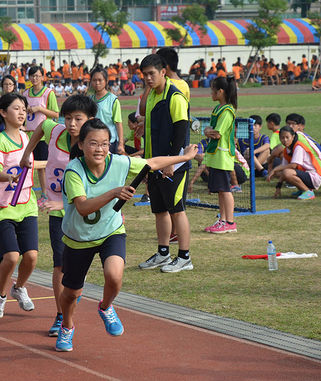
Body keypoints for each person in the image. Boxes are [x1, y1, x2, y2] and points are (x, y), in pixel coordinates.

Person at [54, 118, 198, 352]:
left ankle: (105, 307)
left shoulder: (119, 162)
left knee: (114, 276)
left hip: (111, 231)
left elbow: (152, 163)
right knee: (70, 293)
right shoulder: (73, 171)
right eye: (93, 143)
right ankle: (67, 327)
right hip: (79, 238)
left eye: (104, 144)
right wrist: (114, 192)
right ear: (80, 145)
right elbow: (82, 207)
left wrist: (185, 157)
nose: (99, 149)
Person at [19, 94, 98, 336]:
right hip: (57, 211)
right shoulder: (56, 131)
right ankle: (60, 315)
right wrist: (27, 153)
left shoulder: (93, 147)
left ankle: (74, 291)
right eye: (68, 118)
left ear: (90, 120)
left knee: (78, 266)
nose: (72, 124)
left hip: (81, 211)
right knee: (59, 263)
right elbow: (41, 126)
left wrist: (64, 206)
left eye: (78, 119)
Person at [0, 93, 39, 319]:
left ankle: (19, 288)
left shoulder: (27, 138)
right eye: (16, 108)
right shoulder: (0, 142)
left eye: (24, 108)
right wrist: (7, 177)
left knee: (32, 256)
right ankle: (0, 294)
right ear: (3, 113)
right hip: (3, 208)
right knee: (12, 257)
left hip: (27, 205)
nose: (22, 112)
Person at [137, 54, 193, 272]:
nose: (148, 78)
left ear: (163, 71)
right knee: (159, 210)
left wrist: (171, 162)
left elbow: (181, 131)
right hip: (154, 163)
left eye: (152, 73)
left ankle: (184, 257)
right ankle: (163, 253)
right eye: (145, 75)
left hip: (173, 165)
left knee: (177, 210)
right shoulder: (151, 96)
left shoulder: (175, 96)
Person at [203, 76, 238, 233]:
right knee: (220, 190)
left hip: (223, 157)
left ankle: (230, 222)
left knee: (225, 189)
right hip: (216, 156)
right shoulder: (217, 109)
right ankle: (222, 220)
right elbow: (210, 130)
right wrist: (207, 131)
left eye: (212, 90)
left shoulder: (227, 111)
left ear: (221, 91)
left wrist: (209, 132)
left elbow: (216, 133)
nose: (210, 93)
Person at [23, 66, 60, 204]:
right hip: (29, 135)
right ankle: (36, 192)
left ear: (43, 77)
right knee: (32, 164)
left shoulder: (48, 93)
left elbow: (56, 114)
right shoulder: (26, 93)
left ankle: (47, 194)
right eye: (32, 76)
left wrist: (39, 109)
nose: (35, 78)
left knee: (44, 165)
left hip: (44, 135)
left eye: (38, 76)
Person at [267, 126, 321, 200]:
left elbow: (293, 165)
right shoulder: (286, 150)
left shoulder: (298, 147)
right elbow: (284, 167)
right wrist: (278, 187)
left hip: (314, 177)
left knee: (287, 172)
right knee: (284, 172)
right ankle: (302, 189)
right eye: (282, 138)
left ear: (293, 137)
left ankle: (308, 192)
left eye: (287, 137)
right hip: (306, 174)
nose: (285, 140)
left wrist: (274, 169)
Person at [89, 68, 124, 154]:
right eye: (94, 80)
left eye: (100, 80)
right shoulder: (89, 100)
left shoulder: (113, 100)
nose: (97, 83)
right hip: (93, 140)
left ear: (106, 81)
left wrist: (121, 144)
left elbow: (118, 123)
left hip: (109, 141)